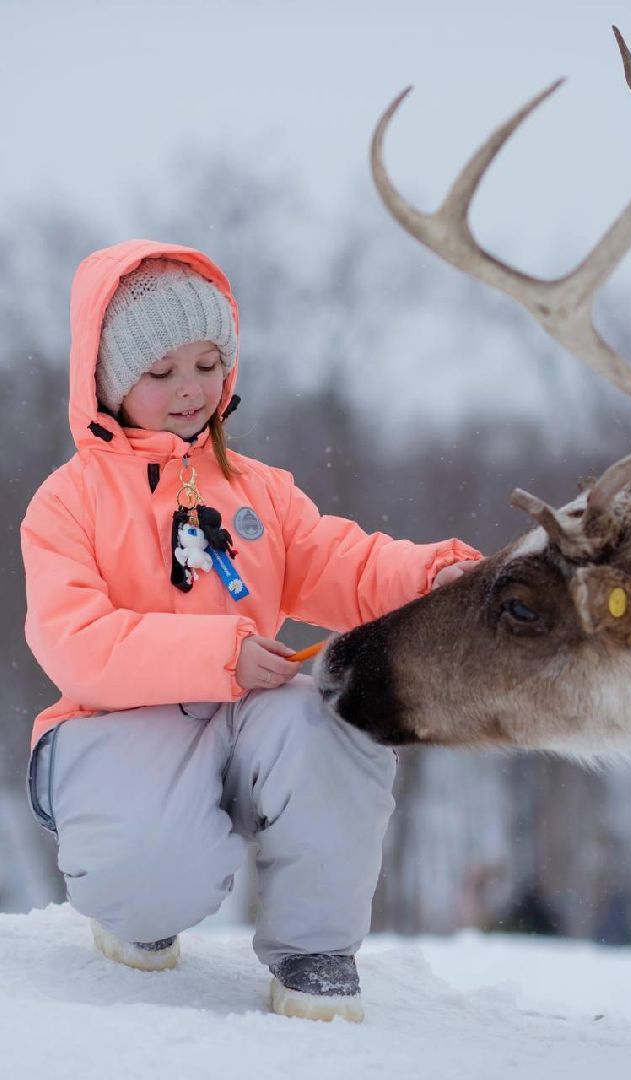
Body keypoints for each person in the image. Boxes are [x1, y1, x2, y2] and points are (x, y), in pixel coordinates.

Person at [20, 239, 481, 1023]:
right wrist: (220, 654)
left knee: (327, 718)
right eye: (160, 372)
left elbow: (343, 564)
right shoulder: (69, 502)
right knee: (149, 879)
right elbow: (77, 641)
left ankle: (315, 949)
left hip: (250, 719)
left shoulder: (254, 489)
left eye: (207, 364)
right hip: (118, 728)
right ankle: (137, 898)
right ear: (105, 379)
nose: (190, 389)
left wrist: (429, 580)